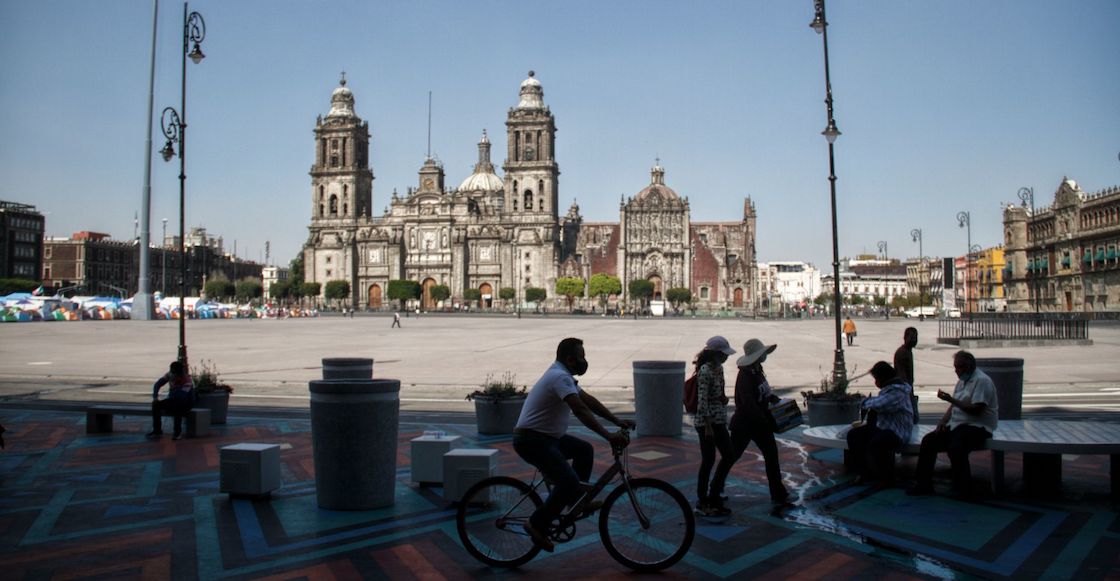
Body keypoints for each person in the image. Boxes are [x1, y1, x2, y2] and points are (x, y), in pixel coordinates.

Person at [512, 338, 634, 552]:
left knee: (584, 450)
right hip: (532, 440)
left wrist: (616, 421)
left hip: (547, 437)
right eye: (582, 357)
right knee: (568, 481)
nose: (584, 361)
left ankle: (577, 502)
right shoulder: (559, 377)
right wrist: (608, 435)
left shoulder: (563, 376)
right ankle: (536, 524)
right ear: (570, 359)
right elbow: (580, 410)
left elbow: (589, 401)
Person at [909, 350, 999, 498]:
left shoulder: (982, 381)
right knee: (929, 441)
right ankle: (923, 484)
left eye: (960, 367)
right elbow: (954, 407)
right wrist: (943, 422)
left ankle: (963, 487)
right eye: (956, 367)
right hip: (958, 425)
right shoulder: (962, 382)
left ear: (969, 366)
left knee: (956, 446)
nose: (957, 371)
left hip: (977, 426)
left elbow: (976, 409)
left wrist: (950, 400)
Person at [728, 338, 790, 503]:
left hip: (759, 423)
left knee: (771, 455)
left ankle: (778, 492)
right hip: (745, 424)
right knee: (731, 456)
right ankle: (714, 489)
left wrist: (771, 398)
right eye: (762, 353)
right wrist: (764, 421)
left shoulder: (757, 371)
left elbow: (761, 393)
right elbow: (748, 403)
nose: (764, 356)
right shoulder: (745, 375)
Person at [846, 362, 914, 487]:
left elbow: (879, 404)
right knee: (854, 435)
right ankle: (864, 472)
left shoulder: (898, 391)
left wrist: (863, 400)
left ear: (883, 378)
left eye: (876, 378)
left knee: (879, 442)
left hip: (897, 431)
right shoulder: (889, 389)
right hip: (883, 426)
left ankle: (887, 478)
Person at [691, 336, 737, 516]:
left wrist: (723, 398)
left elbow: (720, 391)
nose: (727, 357)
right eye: (724, 354)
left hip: (719, 419)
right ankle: (703, 500)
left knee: (728, 455)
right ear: (715, 354)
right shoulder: (705, 371)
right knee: (709, 460)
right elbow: (702, 401)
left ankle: (714, 491)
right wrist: (708, 427)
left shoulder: (719, 369)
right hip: (707, 422)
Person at [147, 360, 195, 440]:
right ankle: (157, 430)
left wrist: (175, 387)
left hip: (186, 402)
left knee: (177, 407)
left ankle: (177, 432)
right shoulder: (169, 375)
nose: (172, 375)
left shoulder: (187, 380)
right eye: (171, 372)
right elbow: (157, 384)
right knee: (156, 405)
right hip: (173, 400)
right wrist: (155, 397)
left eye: (174, 374)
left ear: (179, 374)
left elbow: (181, 396)